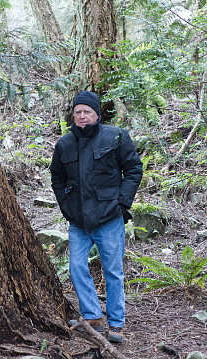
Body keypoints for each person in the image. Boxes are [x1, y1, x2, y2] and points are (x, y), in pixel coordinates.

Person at [50, 91, 143, 343]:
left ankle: (116, 324)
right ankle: (91, 315)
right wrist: (65, 206)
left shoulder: (116, 137)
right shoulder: (64, 144)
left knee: (113, 272)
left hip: (109, 218)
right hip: (78, 221)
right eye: (78, 112)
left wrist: (122, 203)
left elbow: (134, 170)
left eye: (87, 112)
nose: (82, 116)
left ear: (97, 114)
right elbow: (57, 177)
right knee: (77, 267)